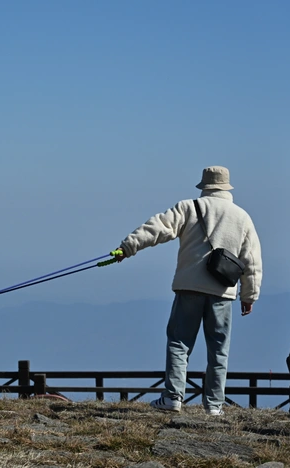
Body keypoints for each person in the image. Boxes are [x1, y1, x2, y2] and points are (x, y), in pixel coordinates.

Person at [116, 166, 262, 416]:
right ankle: (214, 405)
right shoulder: (242, 217)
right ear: (227, 187)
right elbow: (252, 261)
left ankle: (173, 397)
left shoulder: (189, 207)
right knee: (218, 350)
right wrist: (249, 295)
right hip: (222, 292)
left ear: (204, 186)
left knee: (179, 343)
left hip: (189, 287)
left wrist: (128, 247)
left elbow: (158, 227)